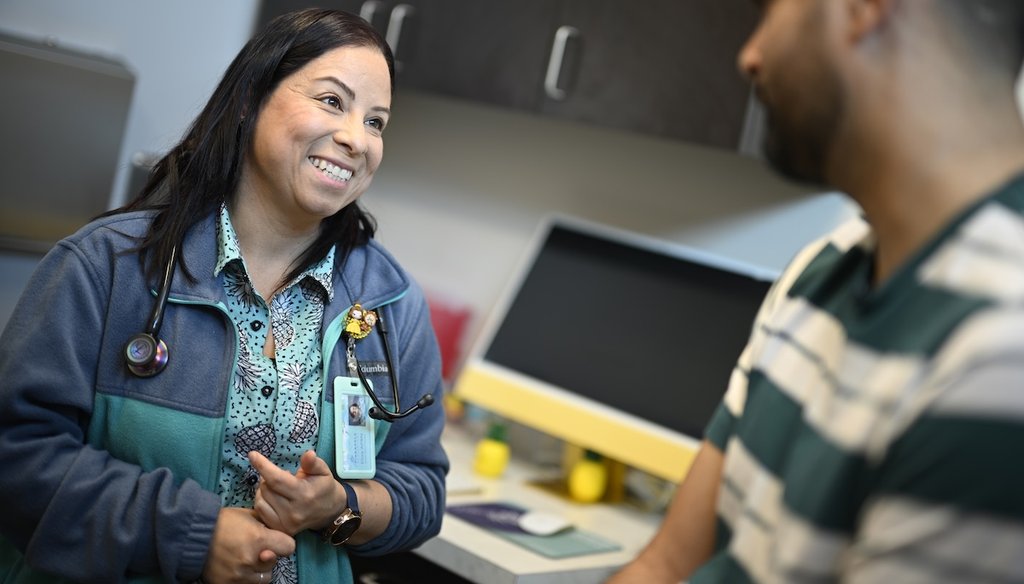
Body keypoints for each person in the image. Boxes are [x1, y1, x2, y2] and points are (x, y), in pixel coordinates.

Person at [0, 8, 448, 583]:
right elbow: (17, 456)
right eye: (333, 102)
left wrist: (341, 506)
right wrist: (190, 534)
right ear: (249, 100)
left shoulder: (391, 305)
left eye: (377, 122)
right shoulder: (106, 267)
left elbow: (422, 489)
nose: (355, 139)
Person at [609, 0, 1024, 582]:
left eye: (771, 9)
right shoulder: (820, 272)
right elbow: (668, 564)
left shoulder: (1001, 354)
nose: (749, 55)